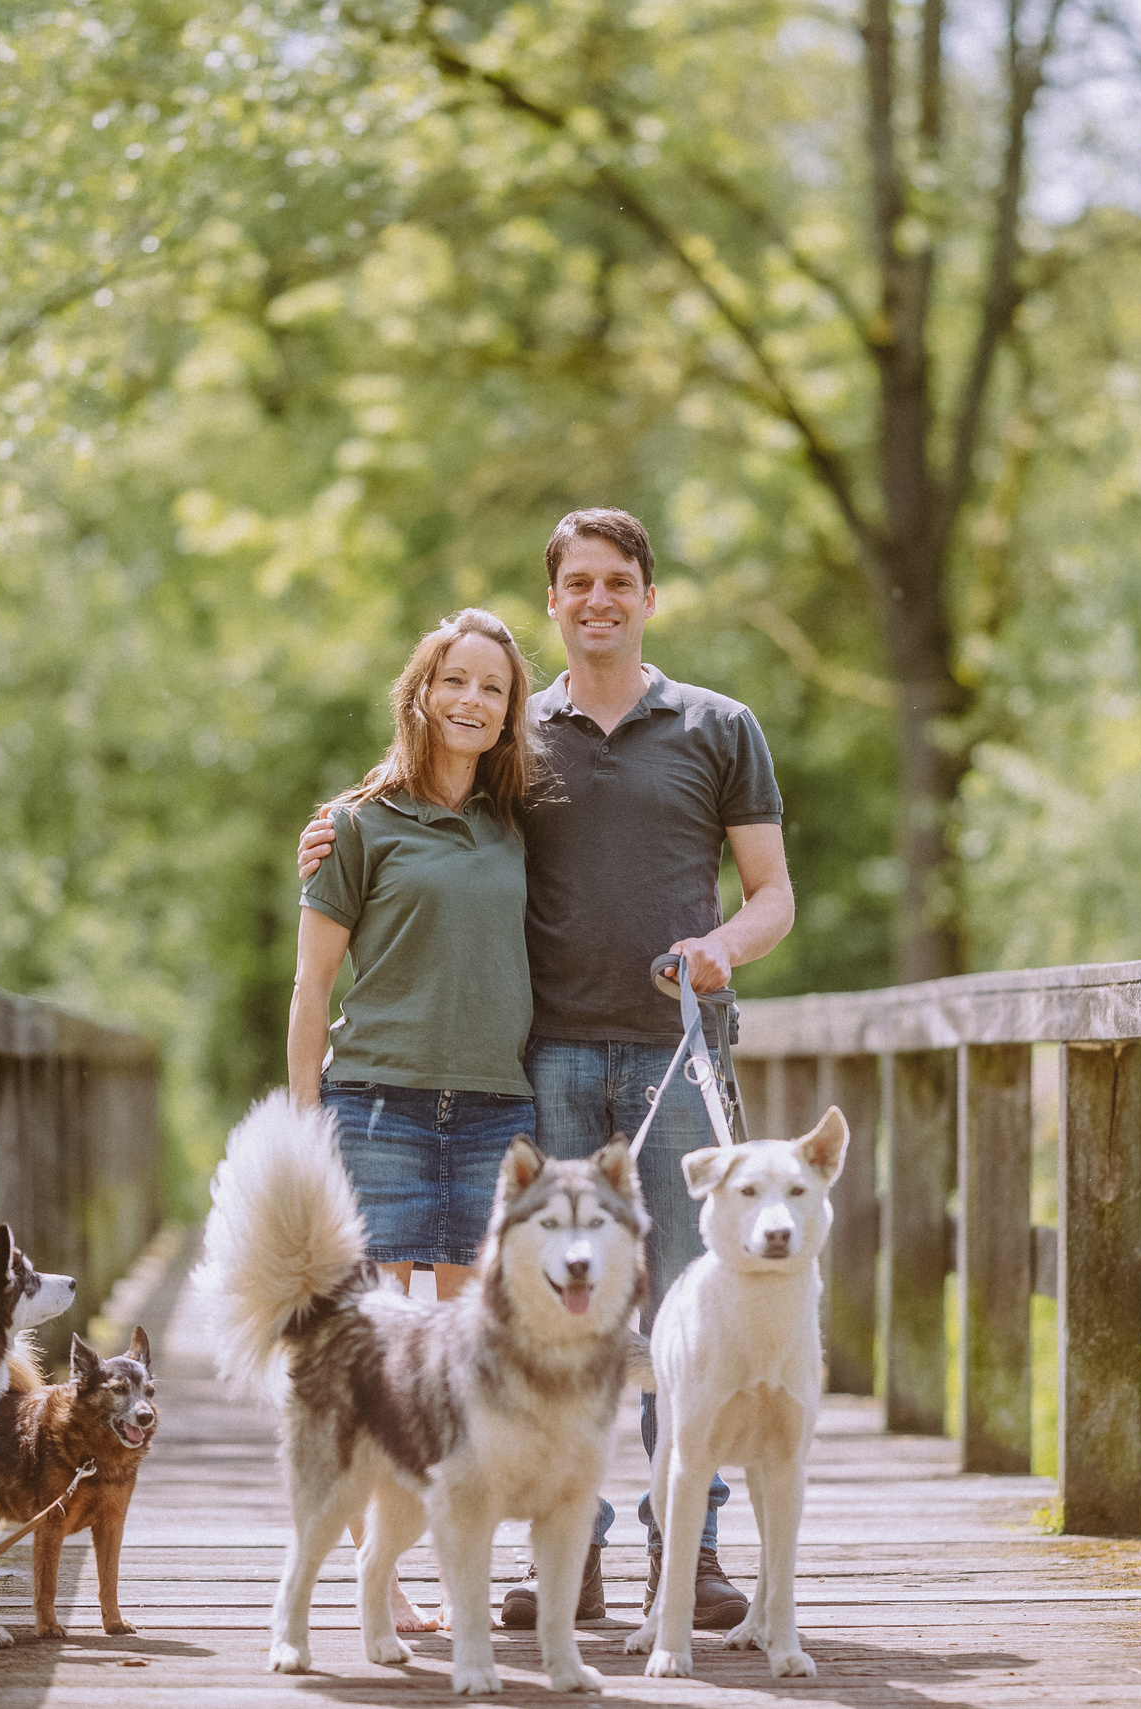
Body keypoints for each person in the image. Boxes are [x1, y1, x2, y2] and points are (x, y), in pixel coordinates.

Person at [301, 509, 795, 1631]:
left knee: (687, 1306)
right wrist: (330, 838)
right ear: (555, 601)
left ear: (649, 596)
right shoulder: (520, 732)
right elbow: (424, 802)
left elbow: (773, 894)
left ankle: (691, 1548)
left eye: (618, 580)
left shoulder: (720, 726)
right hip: (546, 1062)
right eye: (578, 582)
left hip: (680, 1056)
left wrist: (722, 948)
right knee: (551, 1312)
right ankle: (567, 1554)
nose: (598, 599)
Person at [291, 608, 545, 1634]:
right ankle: (380, 1578)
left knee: (472, 1362)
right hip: (378, 1107)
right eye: (456, 681)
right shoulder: (354, 824)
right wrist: (305, 1127)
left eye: (494, 687)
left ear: (510, 710)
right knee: (375, 1365)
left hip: (494, 1114)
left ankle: (457, 1566)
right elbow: (311, 987)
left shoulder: (520, 823)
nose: (472, 700)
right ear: (422, 692)